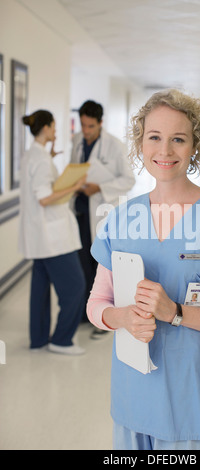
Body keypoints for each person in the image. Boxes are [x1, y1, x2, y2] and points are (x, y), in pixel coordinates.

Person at [87, 89, 200, 450]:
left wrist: (178, 313)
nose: (165, 151)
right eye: (154, 137)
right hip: (134, 395)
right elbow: (96, 304)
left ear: (195, 146)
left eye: (178, 139)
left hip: (197, 398)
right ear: (141, 143)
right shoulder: (120, 219)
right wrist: (120, 317)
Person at [19, 110, 86, 355]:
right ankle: (62, 339)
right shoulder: (40, 160)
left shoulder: (32, 155)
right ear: (46, 128)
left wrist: (51, 155)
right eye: (54, 127)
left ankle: (38, 340)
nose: (56, 131)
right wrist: (75, 185)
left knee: (40, 290)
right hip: (53, 238)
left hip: (40, 236)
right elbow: (45, 198)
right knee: (76, 287)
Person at [70, 100, 135, 333]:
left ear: (100, 123)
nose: (85, 131)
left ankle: (104, 319)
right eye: (83, 126)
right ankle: (87, 313)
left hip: (101, 212)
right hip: (80, 210)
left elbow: (129, 180)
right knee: (83, 264)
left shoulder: (115, 146)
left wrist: (99, 188)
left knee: (101, 265)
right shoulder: (77, 141)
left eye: (90, 127)